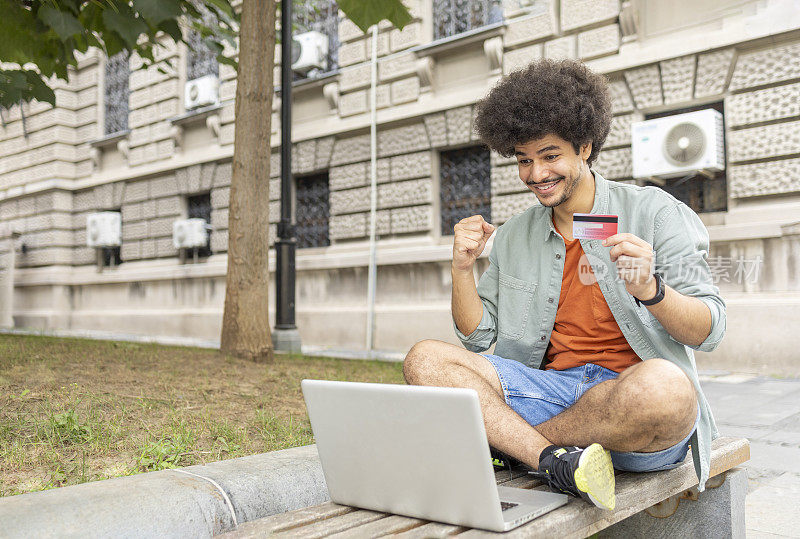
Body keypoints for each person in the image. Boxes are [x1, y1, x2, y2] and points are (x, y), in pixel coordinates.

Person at [403, 59, 725, 511]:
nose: (536, 175)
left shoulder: (655, 212)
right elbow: (478, 337)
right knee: (425, 359)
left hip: (630, 407)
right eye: (524, 160)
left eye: (550, 155)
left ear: (585, 146)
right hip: (549, 393)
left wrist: (652, 290)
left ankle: (518, 449)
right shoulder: (516, 233)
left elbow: (709, 330)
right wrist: (461, 269)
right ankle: (554, 459)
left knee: (667, 391)